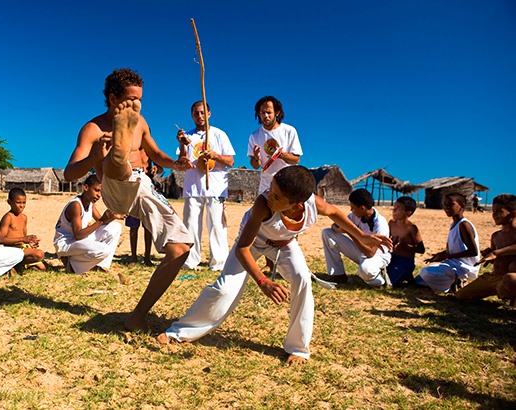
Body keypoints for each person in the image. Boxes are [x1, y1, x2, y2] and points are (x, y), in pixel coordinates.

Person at [156, 166, 391, 365]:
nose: (270, 196)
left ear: (298, 205)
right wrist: (263, 281)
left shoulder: (312, 204)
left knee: (302, 280)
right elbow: (242, 249)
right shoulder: (263, 204)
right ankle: (179, 332)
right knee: (224, 289)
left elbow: (334, 213)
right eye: (272, 190)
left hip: (285, 244)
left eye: (278, 197)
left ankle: (298, 347)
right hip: (253, 244)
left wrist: (361, 236)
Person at [63, 68, 194, 331]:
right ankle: (118, 153)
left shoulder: (141, 122)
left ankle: (137, 316)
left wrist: (177, 164)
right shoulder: (92, 128)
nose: (136, 105)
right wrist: (95, 158)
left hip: (143, 186)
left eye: (139, 100)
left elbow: (156, 153)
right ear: (112, 99)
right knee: (117, 163)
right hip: (113, 188)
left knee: (181, 248)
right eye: (130, 101)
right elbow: (69, 173)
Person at [176, 101, 235, 271]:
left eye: (202, 112)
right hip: (193, 187)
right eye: (196, 113)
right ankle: (190, 261)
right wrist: (181, 143)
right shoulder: (188, 136)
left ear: (209, 113)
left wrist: (215, 156)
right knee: (191, 224)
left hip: (215, 187)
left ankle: (219, 263)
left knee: (216, 225)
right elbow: (181, 160)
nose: (199, 116)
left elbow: (230, 161)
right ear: (192, 115)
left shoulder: (219, 135)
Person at [53, 174, 123, 274]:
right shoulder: (75, 205)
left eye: (101, 192)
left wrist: (114, 216)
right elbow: (78, 235)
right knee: (103, 249)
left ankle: (97, 265)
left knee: (115, 227)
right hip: (66, 244)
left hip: (80, 241)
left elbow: (101, 221)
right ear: (86, 188)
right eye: (97, 190)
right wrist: (101, 221)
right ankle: (73, 265)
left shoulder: (90, 204)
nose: (99, 195)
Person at [321, 188, 392, 286]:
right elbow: (335, 225)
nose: (351, 210)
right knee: (327, 233)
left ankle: (380, 277)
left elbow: (370, 253)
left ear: (362, 208)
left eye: (353, 208)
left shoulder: (380, 223)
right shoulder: (354, 216)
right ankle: (338, 274)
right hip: (360, 250)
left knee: (365, 271)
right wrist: (341, 229)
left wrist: (351, 233)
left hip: (376, 256)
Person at [455, 194, 516, 304]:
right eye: (493, 211)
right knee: (461, 296)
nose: (494, 215)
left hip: (507, 279)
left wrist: (497, 253)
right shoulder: (496, 236)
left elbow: (499, 253)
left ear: (513, 213)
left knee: (510, 279)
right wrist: (489, 254)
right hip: (493, 277)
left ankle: (510, 296)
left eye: (499, 212)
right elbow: (495, 257)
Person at [416, 193, 480, 293]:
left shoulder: (464, 225)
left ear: (462, 206)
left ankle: (458, 282)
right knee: (420, 278)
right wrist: (441, 255)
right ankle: (453, 282)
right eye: (445, 205)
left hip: (463, 267)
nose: (447, 208)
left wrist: (447, 256)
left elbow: (473, 251)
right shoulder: (454, 224)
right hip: (453, 264)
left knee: (426, 273)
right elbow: (456, 248)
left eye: (451, 205)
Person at [247, 96, 303, 194]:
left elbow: (296, 159)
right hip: (266, 185)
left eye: (269, 112)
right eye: (262, 113)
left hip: (287, 184)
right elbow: (255, 166)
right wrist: (256, 158)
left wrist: (280, 155)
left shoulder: (289, 131)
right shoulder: (254, 136)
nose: (265, 116)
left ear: (277, 113)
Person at [0, 188, 46, 271]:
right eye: (18, 202)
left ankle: (19, 265)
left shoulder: (24, 217)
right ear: (9, 202)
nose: (21, 205)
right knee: (39, 254)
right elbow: (1, 239)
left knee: (44, 267)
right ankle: (13, 264)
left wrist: (31, 242)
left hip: (23, 248)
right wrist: (23, 239)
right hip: (12, 250)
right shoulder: (8, 217)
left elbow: (23, 238)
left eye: (24, 203)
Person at [386, 196, 425, 287]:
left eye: (399, 208)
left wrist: (406, 247)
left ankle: (407, 274)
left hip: (406, 260)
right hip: (393, 257)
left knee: (390, 283)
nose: (394, 210)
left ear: (408, 213)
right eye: (395, 207)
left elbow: (421, 249)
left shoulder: (411, 228)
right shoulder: (391, 223)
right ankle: (406, 276)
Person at [126, 148, 155, 266]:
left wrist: (155, 169)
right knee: (133, 226)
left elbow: (160, 167)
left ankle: (147, 257)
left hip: (147, 186)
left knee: (148, 226)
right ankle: (133, 258)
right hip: (132, 186)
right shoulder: (131, 150)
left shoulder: (150, 152)